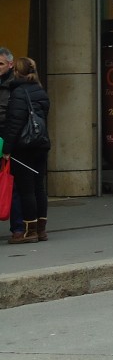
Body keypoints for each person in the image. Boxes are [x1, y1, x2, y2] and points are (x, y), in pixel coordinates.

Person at [1, 57, 50, 244]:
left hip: (24, 147)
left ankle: (30, 232)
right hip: (41, 143)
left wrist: (7, 149)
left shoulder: (18, 92)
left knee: (26, 189)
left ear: (16, 71)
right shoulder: (40, 90)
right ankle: (41, 230)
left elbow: (14, 123)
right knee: (39, 187)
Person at [0, 47, 21, 241]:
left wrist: (8, 145)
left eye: (0, 64)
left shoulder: (15, 86)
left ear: (10, 64)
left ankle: (17, 227)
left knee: (11, 183)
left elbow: (13, 118)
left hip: (9, 139)